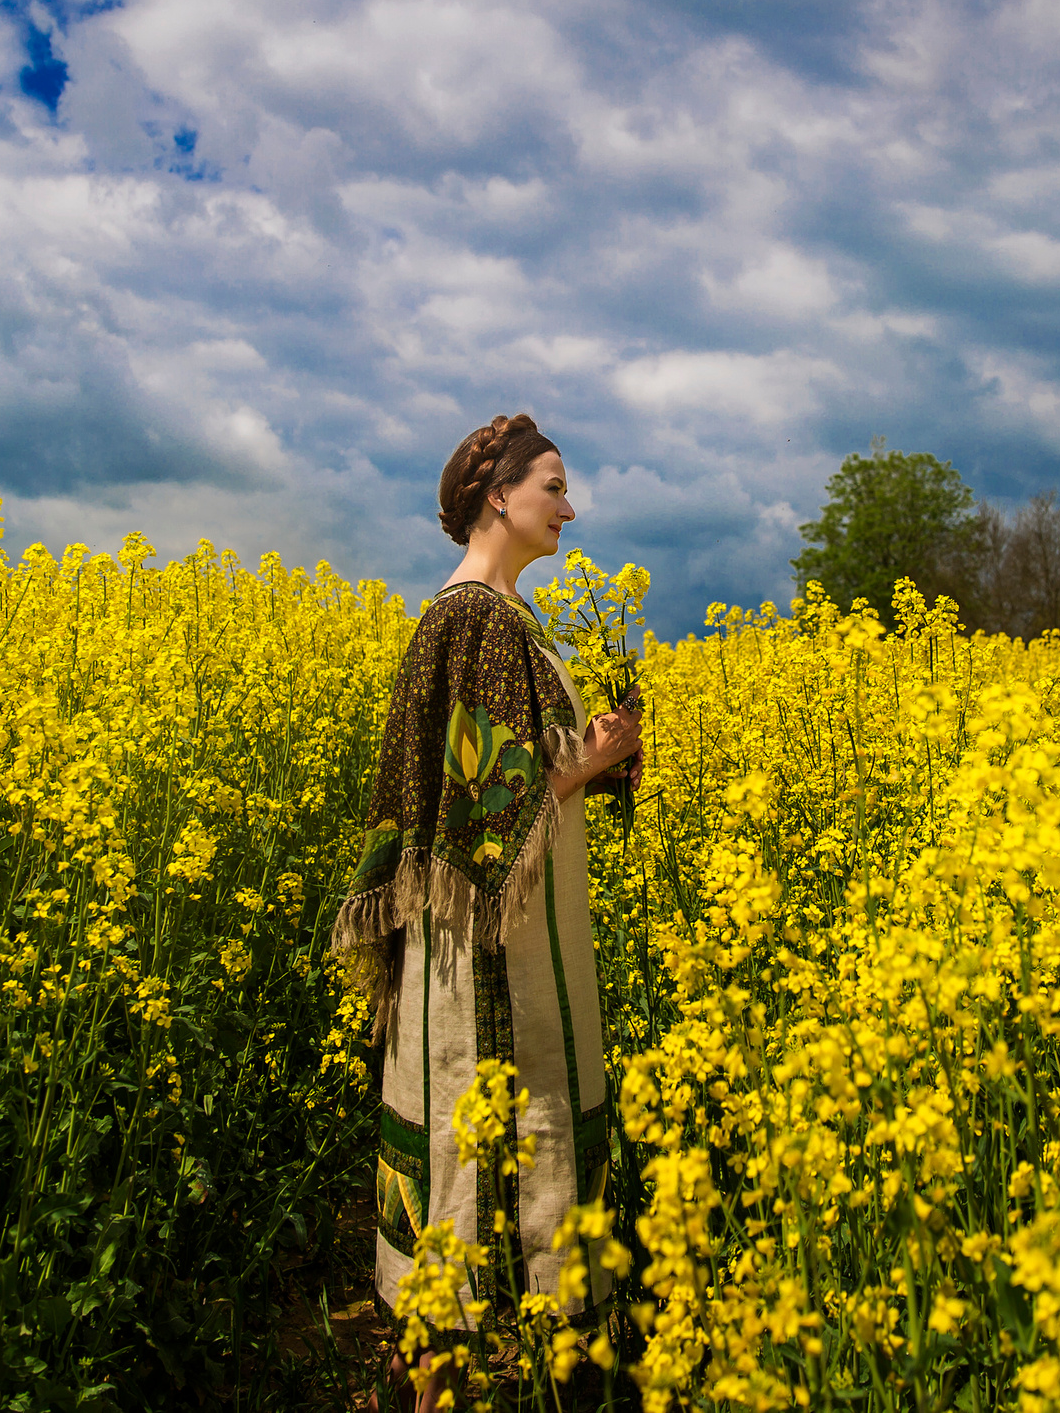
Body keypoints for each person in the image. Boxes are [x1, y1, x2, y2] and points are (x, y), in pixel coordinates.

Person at [331, 413, 641, 1409]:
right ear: (498, 496)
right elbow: (487, 801)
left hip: (508, 935)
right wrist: (594, 757)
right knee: (475, 1149)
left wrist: (592, 754)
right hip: (492, 957)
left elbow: (502, 778)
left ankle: (441, 1372)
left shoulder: (492, 616)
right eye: (553, 485)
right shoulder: (478, 619)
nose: (569, 507)